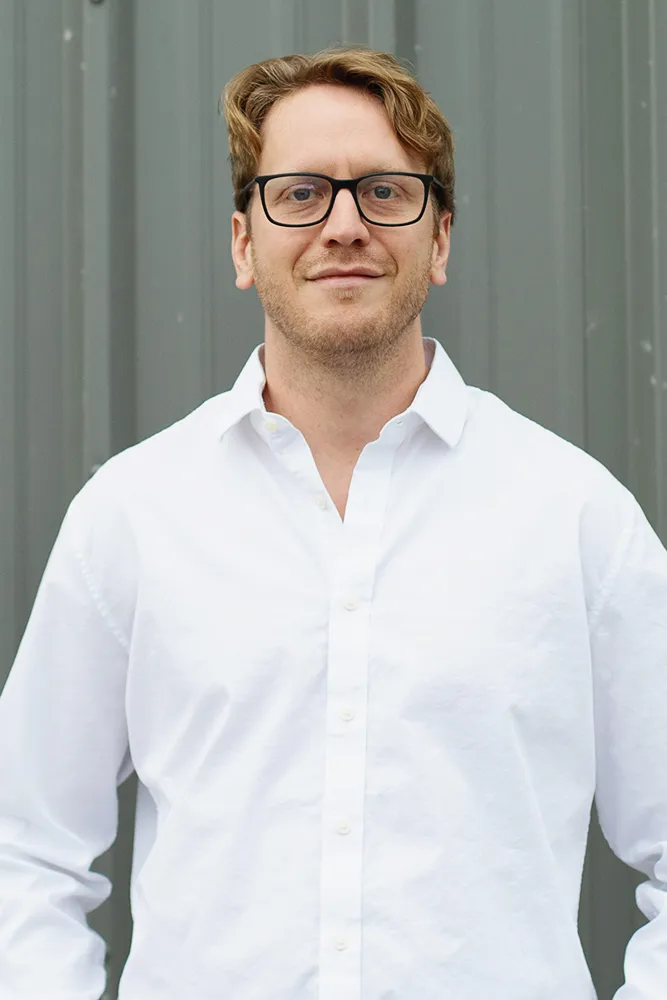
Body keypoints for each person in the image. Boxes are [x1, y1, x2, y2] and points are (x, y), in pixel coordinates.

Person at [0, 45, 665, 1000]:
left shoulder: (574, 518)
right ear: (242, 244)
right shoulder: (134, 517)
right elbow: (25, 849)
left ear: (438, 243)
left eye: (386, 193)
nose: (344, 225)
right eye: (300, 193)